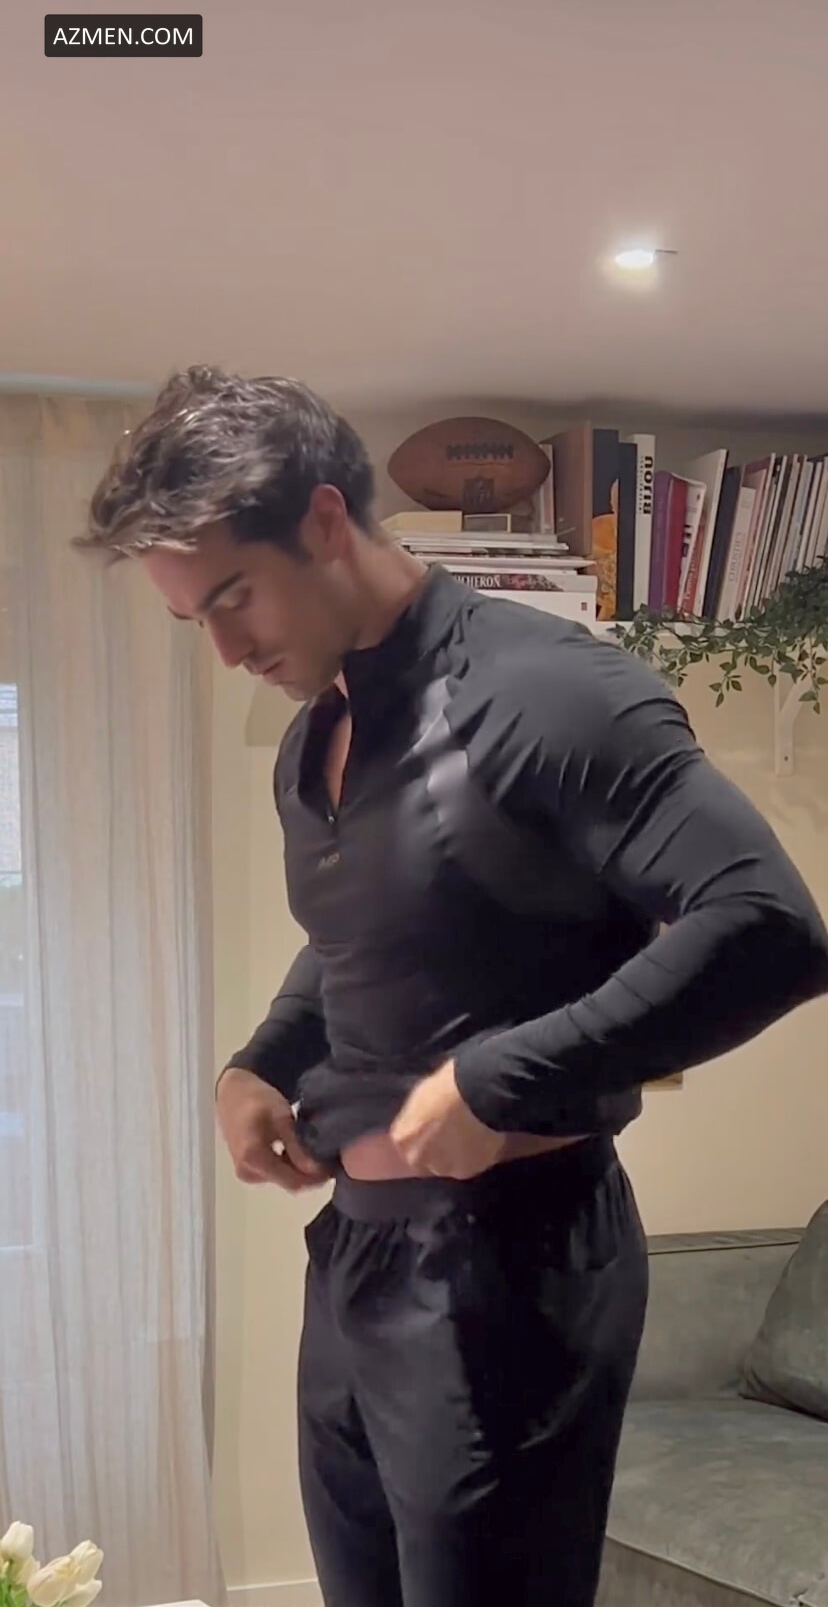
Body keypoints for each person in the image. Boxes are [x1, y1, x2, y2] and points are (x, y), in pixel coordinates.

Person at [77, 366, 828, 1607]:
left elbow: (771, 926)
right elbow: (367, 935)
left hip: (515, 1267)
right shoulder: (315, 738)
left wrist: (498, 1077)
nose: (226, 650)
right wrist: (261, 1061)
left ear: (326, 520)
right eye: (191, 621)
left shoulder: (551, 692)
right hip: (355, 1260)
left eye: (234, 596)